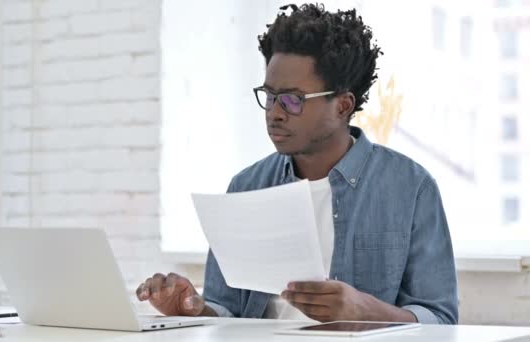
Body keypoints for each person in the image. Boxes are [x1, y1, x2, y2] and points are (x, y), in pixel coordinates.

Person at [137, 3, 457, 324]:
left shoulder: (410, 187)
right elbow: (226, 310)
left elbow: (441, 319)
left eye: (292, 100)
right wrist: (192, 308)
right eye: (270, 95)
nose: (275, 112)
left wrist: (367, 312)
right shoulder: (246, 187)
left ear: (343, 106)